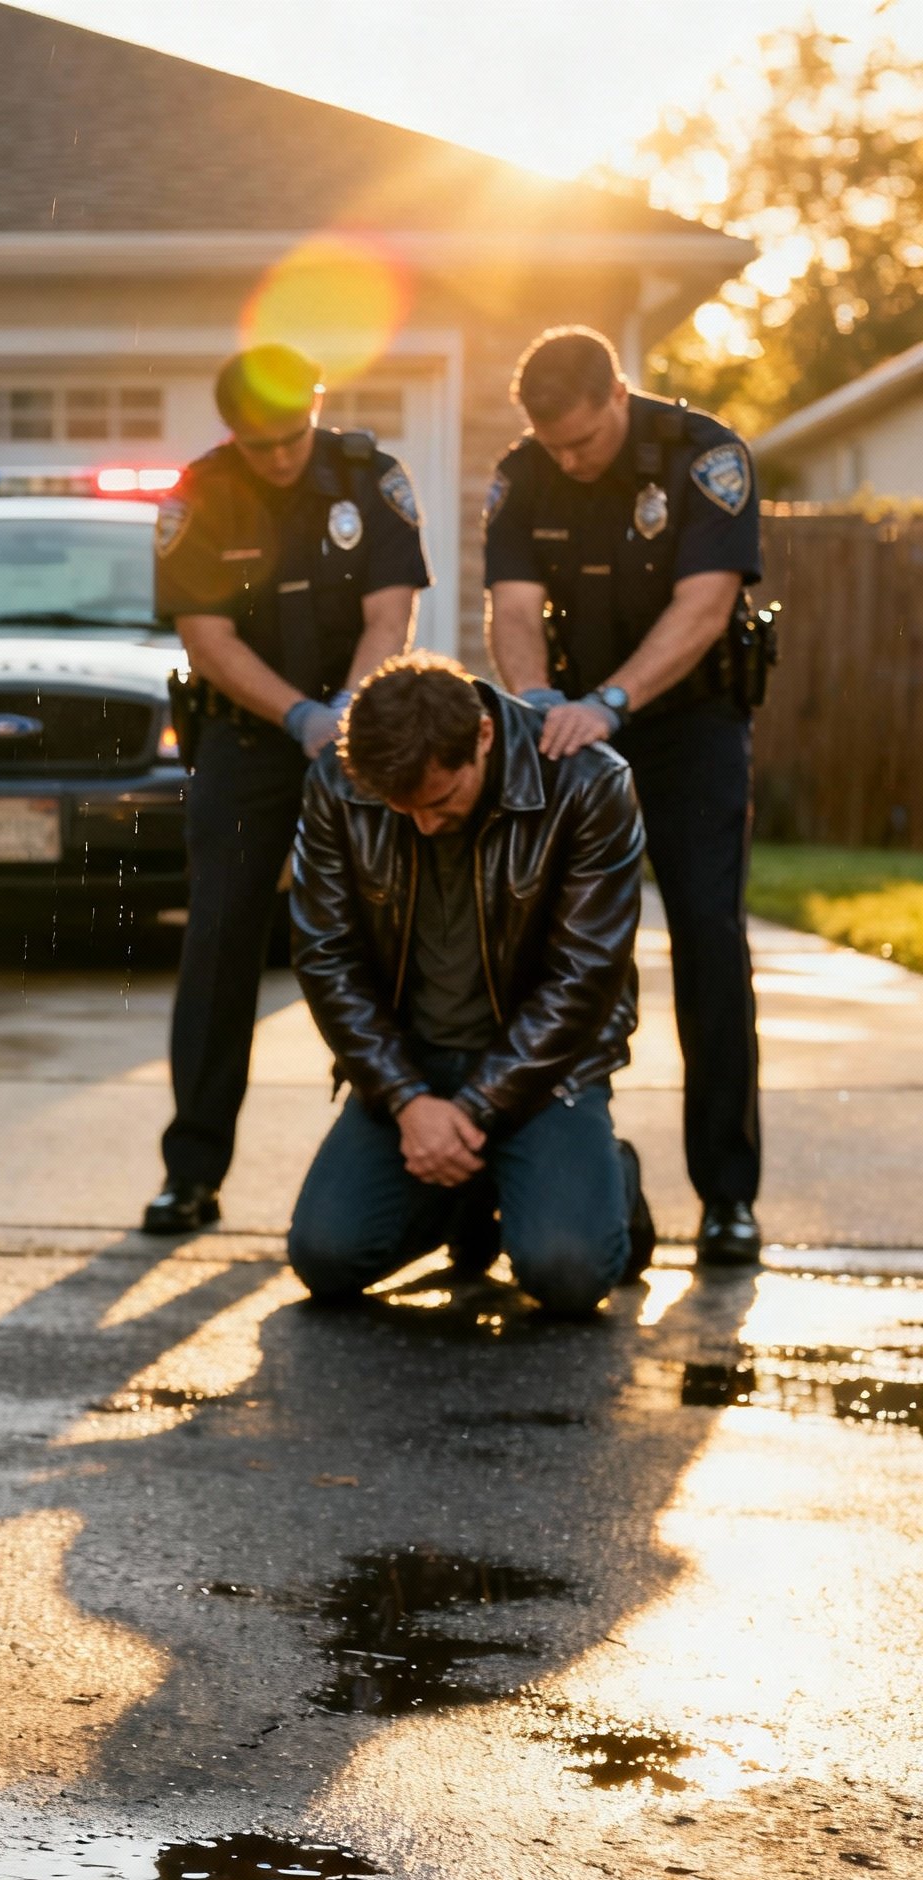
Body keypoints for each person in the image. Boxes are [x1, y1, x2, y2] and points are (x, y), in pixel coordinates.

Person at [483, 325, 766, 1267]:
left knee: (708, 946)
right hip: (567, 727)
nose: (569, 460)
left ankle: (727, 1195)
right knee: (535, 946)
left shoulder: (703, 457)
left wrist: (614, 701)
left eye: (583, 442)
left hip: (686, 727)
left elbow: (706, 604)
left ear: (618, 396)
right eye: (553, 445)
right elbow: (515, 610)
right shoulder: (524, 474)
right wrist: (534, 706)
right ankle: (538, 1180)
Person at [143, 343, 429, 1236]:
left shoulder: (370, 476)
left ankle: (421, 1149)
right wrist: (299, 716)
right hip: (248, 737)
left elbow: (391, 613)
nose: (277, 456)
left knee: (396, 936)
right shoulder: (202, 490)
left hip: (363, 730)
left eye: (290, 436)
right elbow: (207, 637)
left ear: (317, 402)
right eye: (258, 443)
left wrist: (349, 715)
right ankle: (192, 1172)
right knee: (221, 947)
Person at [286, 654, 654, 1314]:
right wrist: (405, 1098)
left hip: (544, 1074)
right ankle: (472, 1190)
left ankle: (609, 1179)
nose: (423, 824)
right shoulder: (338, 782)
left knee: (567, 1274)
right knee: (327, 1258)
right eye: (400, 809)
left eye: (439, 801)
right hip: (411, 1071)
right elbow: (325, 955)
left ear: (483, 735)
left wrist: (477, 1107)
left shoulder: (588, 783)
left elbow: (585, 976)